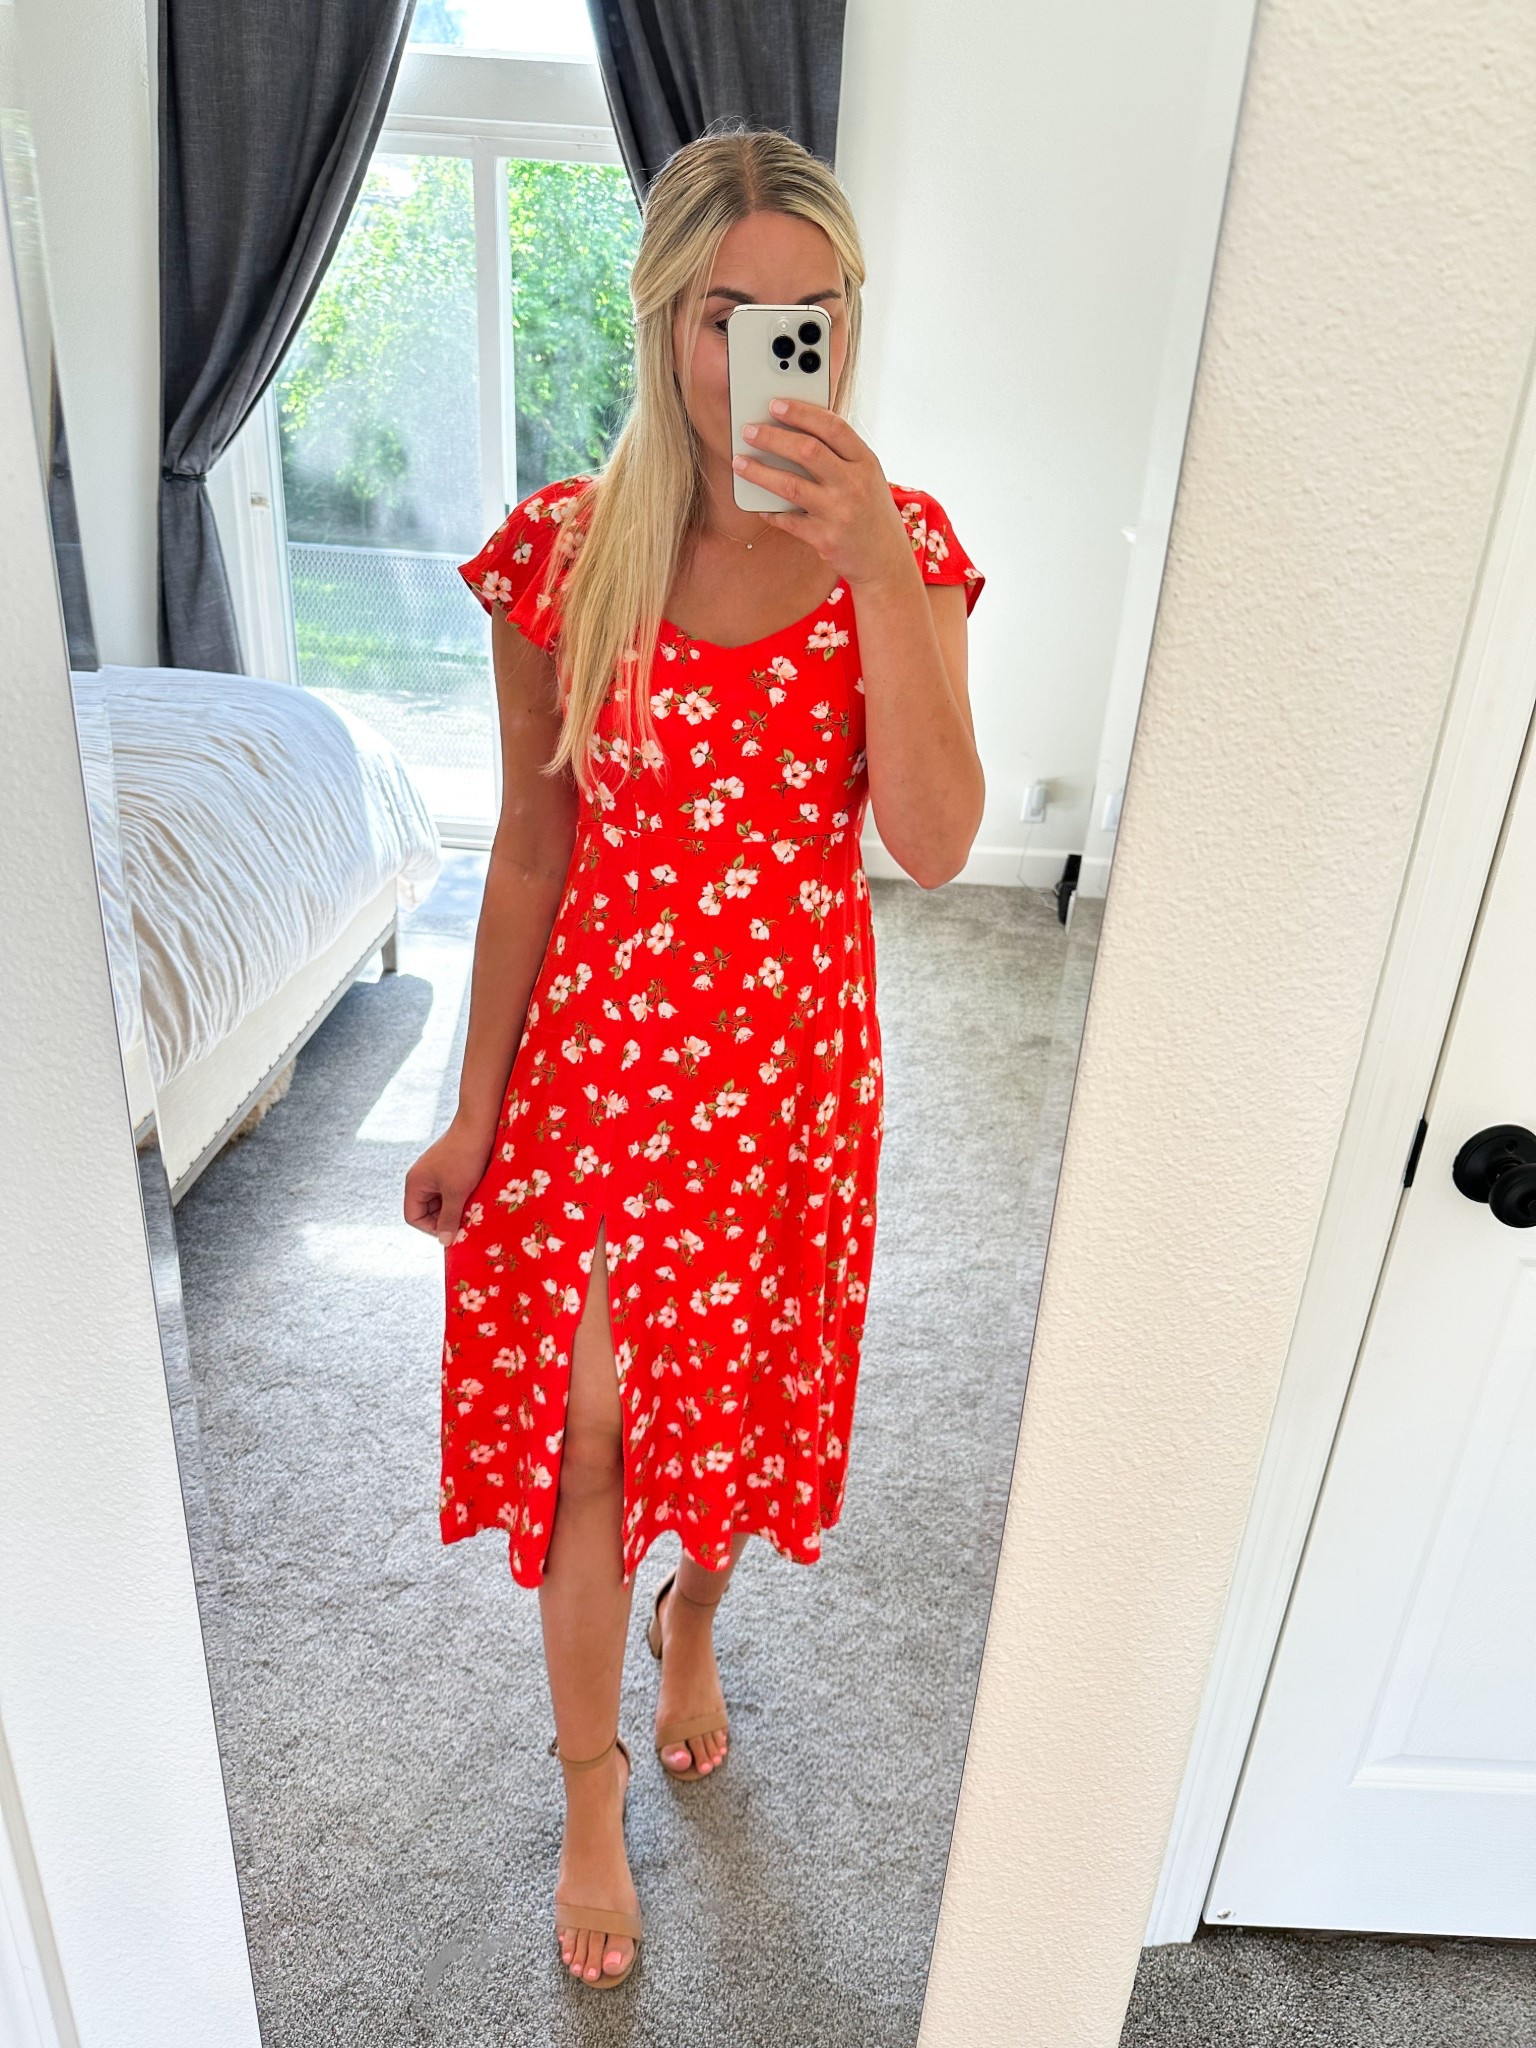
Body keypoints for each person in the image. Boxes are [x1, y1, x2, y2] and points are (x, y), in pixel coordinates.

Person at [404, 124, 985, 1993]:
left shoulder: (907, 550)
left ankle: (698, 1619)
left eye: (809, 316)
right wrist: (473, 1107)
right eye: (726, 314)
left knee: (731, 1429)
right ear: (664, 321)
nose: (764, 356)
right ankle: (589, 1800)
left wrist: (875, 572)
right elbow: (529, 851)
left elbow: (936, 842)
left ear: (851, 326)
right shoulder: (568, 554)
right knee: (588, 1446)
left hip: (788, 1089)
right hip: (597, 1082)